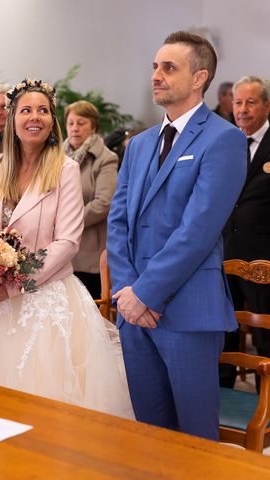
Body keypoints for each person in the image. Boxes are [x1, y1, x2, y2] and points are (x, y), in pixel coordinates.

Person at [0, 79, 134, 420]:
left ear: (52, 121)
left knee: (40, 405)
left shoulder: (65, 170)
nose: (34, 117)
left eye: (43, 110)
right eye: (26, 110)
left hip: (43, 295)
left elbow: (67, 241)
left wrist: (11, 287)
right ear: (12, 118)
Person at [107, 31, 247, 440]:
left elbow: (199, 230)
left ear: (199, 77)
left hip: (187, 312)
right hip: (135, 312)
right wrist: (128, 291)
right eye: (155, 66)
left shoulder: (224, 139)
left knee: (195, 438)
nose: (157, 75)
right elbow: (118, 222)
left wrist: (145, 294)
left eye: (169, 67)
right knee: (150, 435)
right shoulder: (140, 144)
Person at [221, 76, 270, 390]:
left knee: (266, 335)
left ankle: (266, 404)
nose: (242, 109)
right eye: (238, 102)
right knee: (224, 329)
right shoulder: (227, 143)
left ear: (267, 105)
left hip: (264, 257)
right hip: (225, 252)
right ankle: (222, 397)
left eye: (250, 102)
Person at [63, 100, 118, 299]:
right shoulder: (54, 158)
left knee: (89, 319)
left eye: (81, 123)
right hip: (60, 251)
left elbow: (104, 202)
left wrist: (67, 222)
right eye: (71, 123)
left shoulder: (106, 158)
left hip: (89, 253)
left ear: (93, 126)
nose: (75, 129)